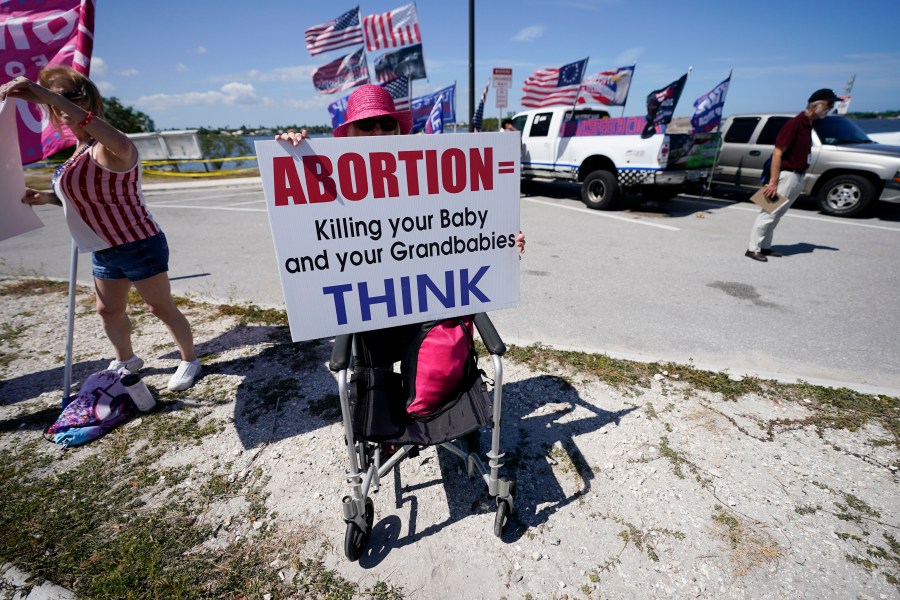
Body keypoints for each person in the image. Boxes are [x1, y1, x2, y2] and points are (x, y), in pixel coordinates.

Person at [1, 66, 202, 391]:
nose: (58, 104)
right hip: (103, 246)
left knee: (159, 307)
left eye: (68, 95)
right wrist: (46, 198)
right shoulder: (77, 152)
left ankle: (189, 359)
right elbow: (86, 200)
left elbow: (103, 134)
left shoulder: (110, 145)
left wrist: (46, 95)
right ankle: (126, 359)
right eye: (55, 98)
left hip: (137, 241)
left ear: (88, 100)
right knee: (107, 309)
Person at [745, 88, 838, 262]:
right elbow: (777, 153)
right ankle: (753, 248)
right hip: (785, 177)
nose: (829, 108)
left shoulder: (808, 124)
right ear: (816, 105)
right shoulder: (795, 124)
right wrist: (773, 182)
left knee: (778, 214)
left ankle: (765, 246)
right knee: (768, 213)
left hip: (798, 176)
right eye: (828, 104)